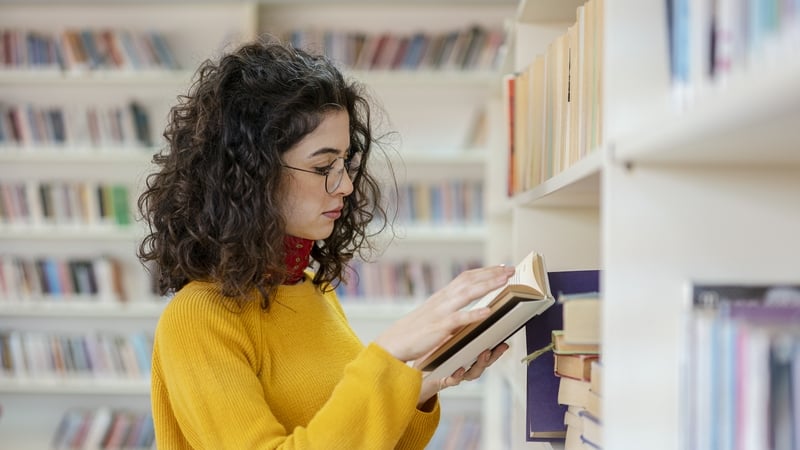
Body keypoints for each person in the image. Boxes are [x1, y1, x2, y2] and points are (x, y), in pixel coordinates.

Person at [137, 36, 513, 449]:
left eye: (346, 162)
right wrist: (387, 356)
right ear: (251, 174)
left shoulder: (311, 287)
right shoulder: (197, 319)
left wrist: (421, 383)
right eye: (323, 166)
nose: (347, 185)